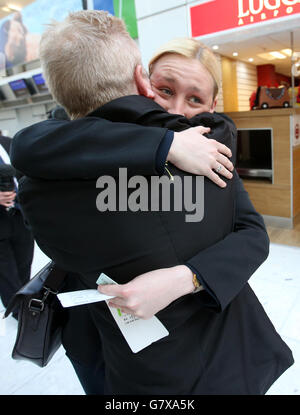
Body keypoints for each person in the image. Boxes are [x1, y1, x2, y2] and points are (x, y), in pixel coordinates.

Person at [11, 11, 293, 394]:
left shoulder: (211, 154)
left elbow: (253, 234)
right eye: (165, 90)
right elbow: (32, 144)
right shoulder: (80, 144)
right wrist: (165, 144)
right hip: (107, 342)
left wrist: (186, 278)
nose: (176, 110)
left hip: (204, 343)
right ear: (141, 82)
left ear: (212, 103)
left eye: (195, 99)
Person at [0, 131, 34, 317]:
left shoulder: (10, 143)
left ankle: (25, 302)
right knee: (6, 273)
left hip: (20, 215)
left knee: (24, 265)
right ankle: (18, 312)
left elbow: (27, 173)